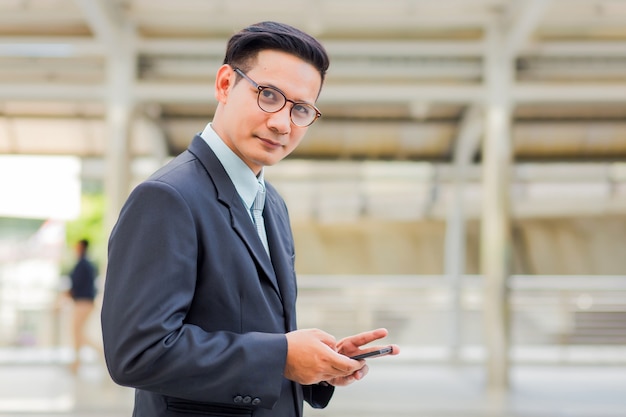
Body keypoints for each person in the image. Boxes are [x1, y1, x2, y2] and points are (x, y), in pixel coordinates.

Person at [101, 21, 399, 417]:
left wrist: (316, 365)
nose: (282, 123)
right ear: (225, 84)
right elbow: (137, 353)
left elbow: (256, 334)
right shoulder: (167, 198)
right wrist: (281, 356)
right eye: (269, 95)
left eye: (301, 109)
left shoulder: (271, 202)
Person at [67, 238, 97, 373]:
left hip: (82, 303)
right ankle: (76, 363)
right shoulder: (88, 265)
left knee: (79, 333)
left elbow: (76, 285)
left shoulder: (82, 265)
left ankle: (103, 354)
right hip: (86, 302)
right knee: (78, 333)